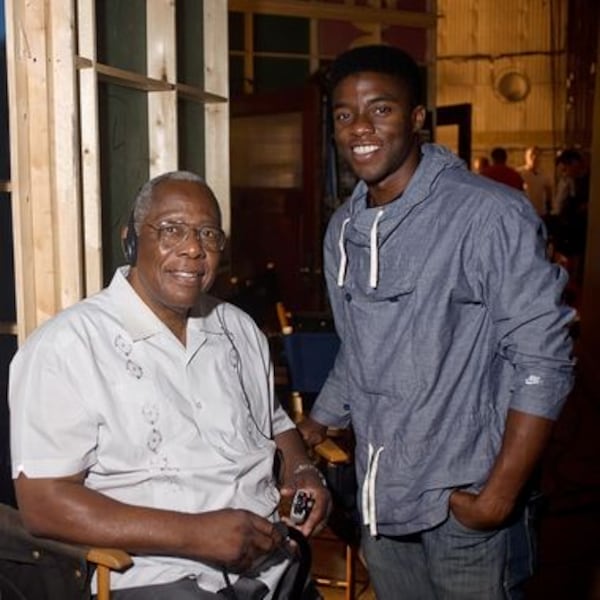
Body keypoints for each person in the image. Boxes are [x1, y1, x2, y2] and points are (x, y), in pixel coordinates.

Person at [299, 45, 575, 599]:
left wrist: (497, 497)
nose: (361, 128)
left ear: (418, 118)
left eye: (381, 109)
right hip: (381, 498)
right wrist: (319, 423)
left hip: (463, 506)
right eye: (344, 115)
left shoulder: (487, 214)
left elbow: (545, 360)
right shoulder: (343, 231)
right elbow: (359, 349)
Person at [9, 171, 331, 599]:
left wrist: (303, 470)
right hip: (159, 580)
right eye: (171, 230)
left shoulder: (239, 330)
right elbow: (43, 504)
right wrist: (196, 534)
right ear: (130, 239)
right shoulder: (66, 347)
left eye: (208, 234)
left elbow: (274, 425)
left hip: (279, 569)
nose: (194, 248)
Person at [516, 145, 553, 217]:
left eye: (537, 155)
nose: (534, 158)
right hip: (525, 213)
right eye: (531, 155)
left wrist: (549, 207)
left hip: (540, 213)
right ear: (526, 157)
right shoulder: (519, 173)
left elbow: (549, 191)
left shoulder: (544, 174)